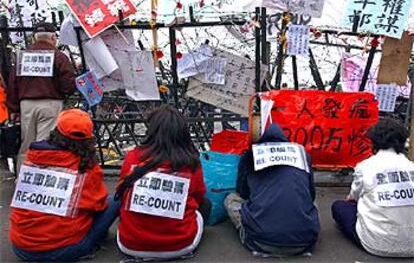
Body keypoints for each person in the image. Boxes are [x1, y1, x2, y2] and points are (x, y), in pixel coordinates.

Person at [9, 109, 120, 262]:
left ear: (56, 131)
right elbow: (98, 205)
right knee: (116, 199)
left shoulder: (32, 157)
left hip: (20, 247)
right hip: (62, 251)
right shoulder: (85, 167)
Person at [115, 105, 210, 260]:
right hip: (180, 245)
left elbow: (124, 192)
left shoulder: (132, 158)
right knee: (206, 206)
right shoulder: (190, 163)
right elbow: (199, 197)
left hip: (130, 245)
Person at [225, 123, 320, 257]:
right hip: (304, 243)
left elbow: (242, 192)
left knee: (230, 199)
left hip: (259, 241)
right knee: (312, 203)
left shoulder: (250, 155)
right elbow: (311, 194)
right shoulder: (301, 153)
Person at [331, 118, 414, 257]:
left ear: (374, 141)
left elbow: (352, 198)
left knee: (339, 206)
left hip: (376, 243)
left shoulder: (365, 167)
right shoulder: (411, 167)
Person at [7, 22, 76, 173]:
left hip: (26, 105)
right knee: (45, 143)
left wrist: (13, 108)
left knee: (27, 143)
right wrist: (64, 93)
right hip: (50, 103)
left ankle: (22, 178)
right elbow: (68, 84)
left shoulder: (23, 57)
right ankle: (41, 179)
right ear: (53, 37)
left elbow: (12, 85)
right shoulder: (59, 57)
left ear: (34, 38)